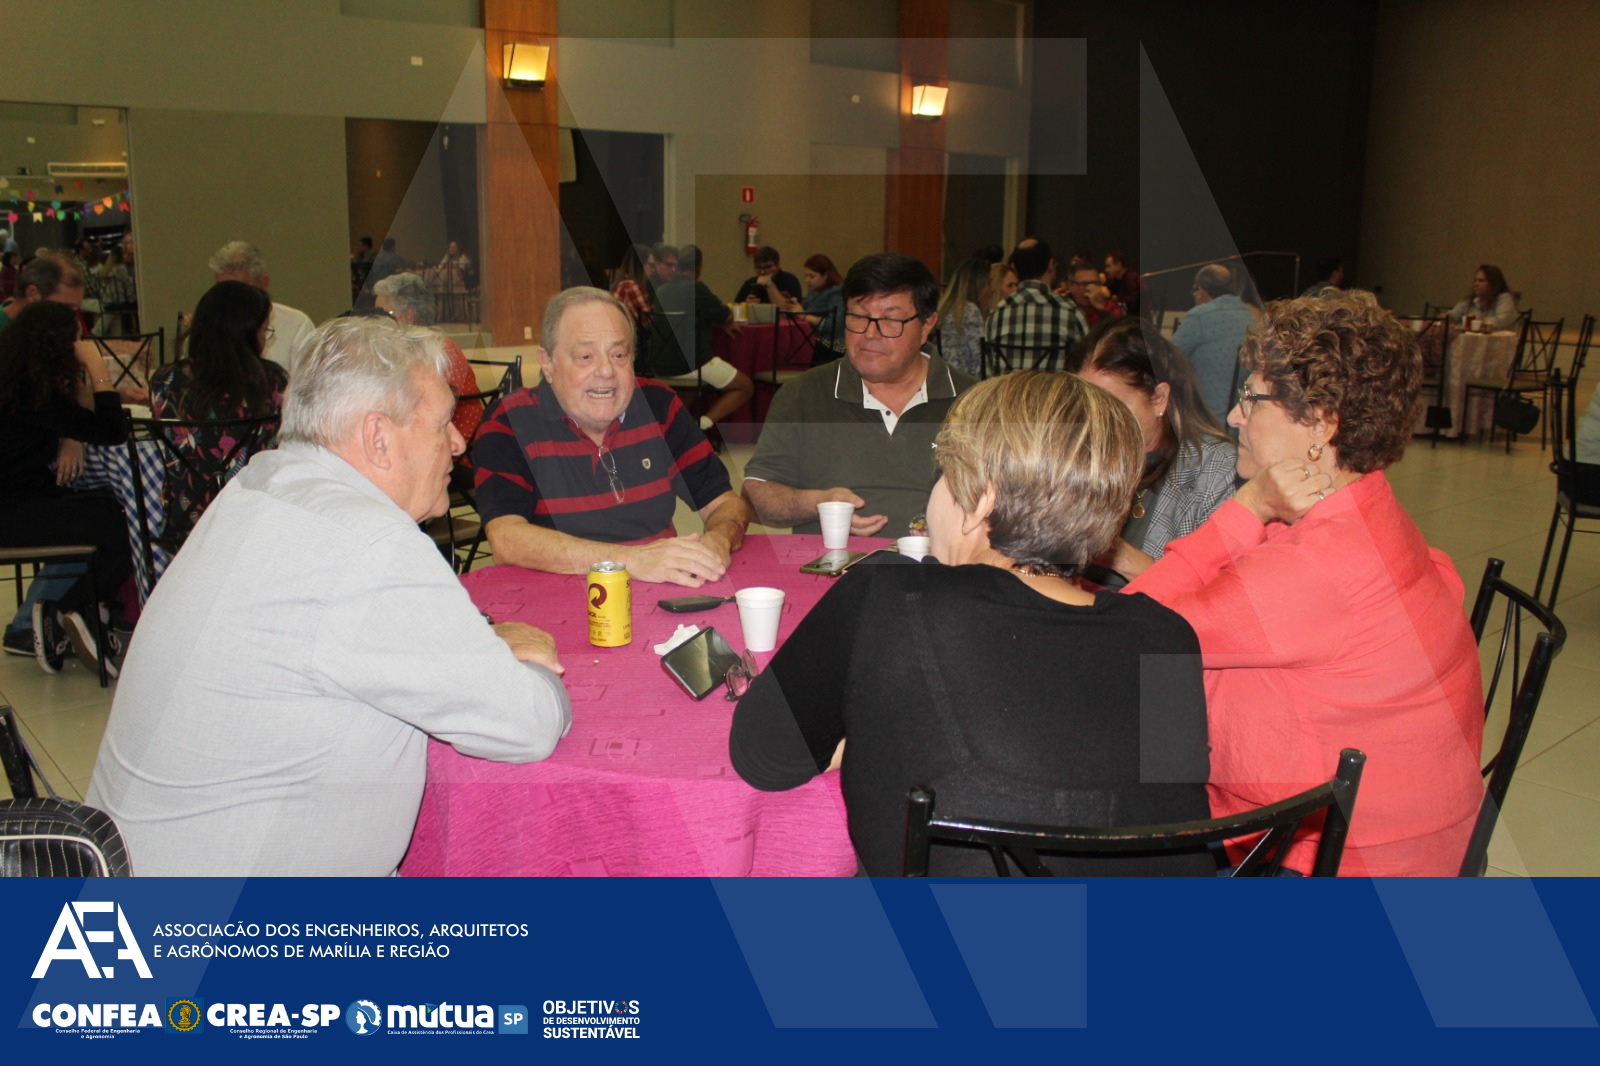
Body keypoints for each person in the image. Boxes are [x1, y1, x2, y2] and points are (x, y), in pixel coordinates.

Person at [86, 316, 572, 876]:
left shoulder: (259, 483)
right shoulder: (369, 542)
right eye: (443, 424)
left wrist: (475, 647)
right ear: (378, 438)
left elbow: (337, 631)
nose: (460, 443)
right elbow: (528, 725)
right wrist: (531, 669)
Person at [730, 371, 1212, 876]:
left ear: (981, 501)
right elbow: (1165, 823)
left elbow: (762, 756)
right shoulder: (1167, 637)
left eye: (943, 476)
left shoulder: (888, 598)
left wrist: (862, 728)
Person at [1127, 290, 1485, 877]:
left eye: (1251, 398)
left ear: (1320, 421)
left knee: (1124, 776)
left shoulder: (1317, 566)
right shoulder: (1369, 509)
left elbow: (1129, 629)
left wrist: (1245, 508)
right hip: (1416, 840)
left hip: (1342, 869)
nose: (1235, 415)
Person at [473, 287, 752, 586]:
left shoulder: (659, 407)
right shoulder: (510, 422)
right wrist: (631, 561)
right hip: (555, 595)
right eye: (585, 356)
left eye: (619, 355)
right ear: (547, 363)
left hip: (660, 594)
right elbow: (506, 538)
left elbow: (725, 503)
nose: (606, 371)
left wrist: (718, 539)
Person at [743, 253, 978, 537]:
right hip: (831, 561)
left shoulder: (974, 402)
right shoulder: (803, 394)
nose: (870, 334)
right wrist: (819, 503)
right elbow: (754, 498)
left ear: (926, 325)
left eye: (890, 320)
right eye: (858, 317)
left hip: (941, 561)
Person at [0, 301, 132, 676]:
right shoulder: (33, 394)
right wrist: (98, 368)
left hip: (19, 501)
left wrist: (69, 431)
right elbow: (111, 432)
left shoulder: (18, 385)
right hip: (13, 513)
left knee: (107, 507)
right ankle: (68, 609)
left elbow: (69, 414)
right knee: (123, 527)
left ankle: (76, 611)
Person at [1070, 316, 1237, 583]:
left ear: (1159, 398)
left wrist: (1120, 556)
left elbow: (1213, 592)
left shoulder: (1214, 469)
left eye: (1112, 408)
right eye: (1086, 407)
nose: (1096, 423)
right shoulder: (1077, 452)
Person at [148, 280, 289, 538]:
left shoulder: (165, 381)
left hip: (187, 529)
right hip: (255, 526)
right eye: (263, 331)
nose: (264, 339)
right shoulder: (272, 382)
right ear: (246, 333)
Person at [373, 272, 482, 448]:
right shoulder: (424, 346)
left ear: (409, 316)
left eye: (384, 314)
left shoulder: (429, 354)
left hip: (454, 448)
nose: (376, 323)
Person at [649, 254, 756, 433]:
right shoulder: (697, 288)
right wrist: (724, 322)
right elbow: (726, 316)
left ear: (677, 266)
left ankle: (672, 432)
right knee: (745, 387)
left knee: (687, 392)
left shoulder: (661, 290)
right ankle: (700, 425)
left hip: (660, 365)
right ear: (698, 268)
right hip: (693, 364)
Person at [208, 240, 315, 377]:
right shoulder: (208, 325)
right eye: (222, 290)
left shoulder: (297, 325)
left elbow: (308, 384)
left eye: (239, 291)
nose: (230, 299)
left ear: (263, 283)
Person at [1170, 263, 1255, 425]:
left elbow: (1168, 356)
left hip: (1206, 418)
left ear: (1201, 291)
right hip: (1239, 417)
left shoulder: (1200, 316)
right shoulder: (1248, 314)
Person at [983, 238, 1084, 370]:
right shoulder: (1069, 311)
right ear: (1051, 266)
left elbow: (988, 369)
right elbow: (1085, 364)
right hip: (1054, 384)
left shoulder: (997, 314)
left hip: (1008, 384)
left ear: (1015, 269)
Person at [772, 253, 846, 358]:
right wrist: (794, 305)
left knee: (791, 347)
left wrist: (803, 315)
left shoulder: (837, 293)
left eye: (812, 276)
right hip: (814, 340)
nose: (807, 280)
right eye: (806, 276)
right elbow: (804, 308)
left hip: (830, 344)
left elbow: (832, 325)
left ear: (825, 275)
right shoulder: (814, 291)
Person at [935, 256, 988, 378]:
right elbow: (979, 363)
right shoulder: (971, 311)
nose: (992, 288)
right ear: (977, 285)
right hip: (965, 382)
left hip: (944, 378)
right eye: (988, 283)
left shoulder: (944, 308)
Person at [611, 243, 655, 352]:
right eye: (650, 265)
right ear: (640, 265)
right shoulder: (631, 286)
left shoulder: (621, 284)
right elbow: (649, 322)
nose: (653, 270)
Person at [1448, 264, 1519, 331]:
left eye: (1481, 281)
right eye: (1475, 280)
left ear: (1493, 284)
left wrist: (1476, 323)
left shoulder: (1505, 298)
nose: (1476, 284)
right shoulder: (1471, 300)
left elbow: (1500, 322)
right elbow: (1451, 316)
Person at [1062, 258, 1124, 329]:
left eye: (1095, 283)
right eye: (1084, 284)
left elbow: (1121, 326)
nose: (1090, 288)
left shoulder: (1107, 305)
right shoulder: (1063, 308)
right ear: (1070, 285)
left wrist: (1103, 307)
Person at [734, 246, 803, 305]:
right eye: (758, 267)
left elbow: (788, 309)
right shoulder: (750, 283)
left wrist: (769, 284)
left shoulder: (790, 281)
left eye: (767, 267)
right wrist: (746, 305)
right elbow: (735, 307)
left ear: (777, 265)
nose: (762, 272)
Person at [1104, 250, 1146, 317]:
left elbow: (1133, 302)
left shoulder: (1131, 278)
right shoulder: (1117, 281)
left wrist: (1118, 299)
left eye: (1108, 266)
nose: (1106, 270)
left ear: (1118, 265)